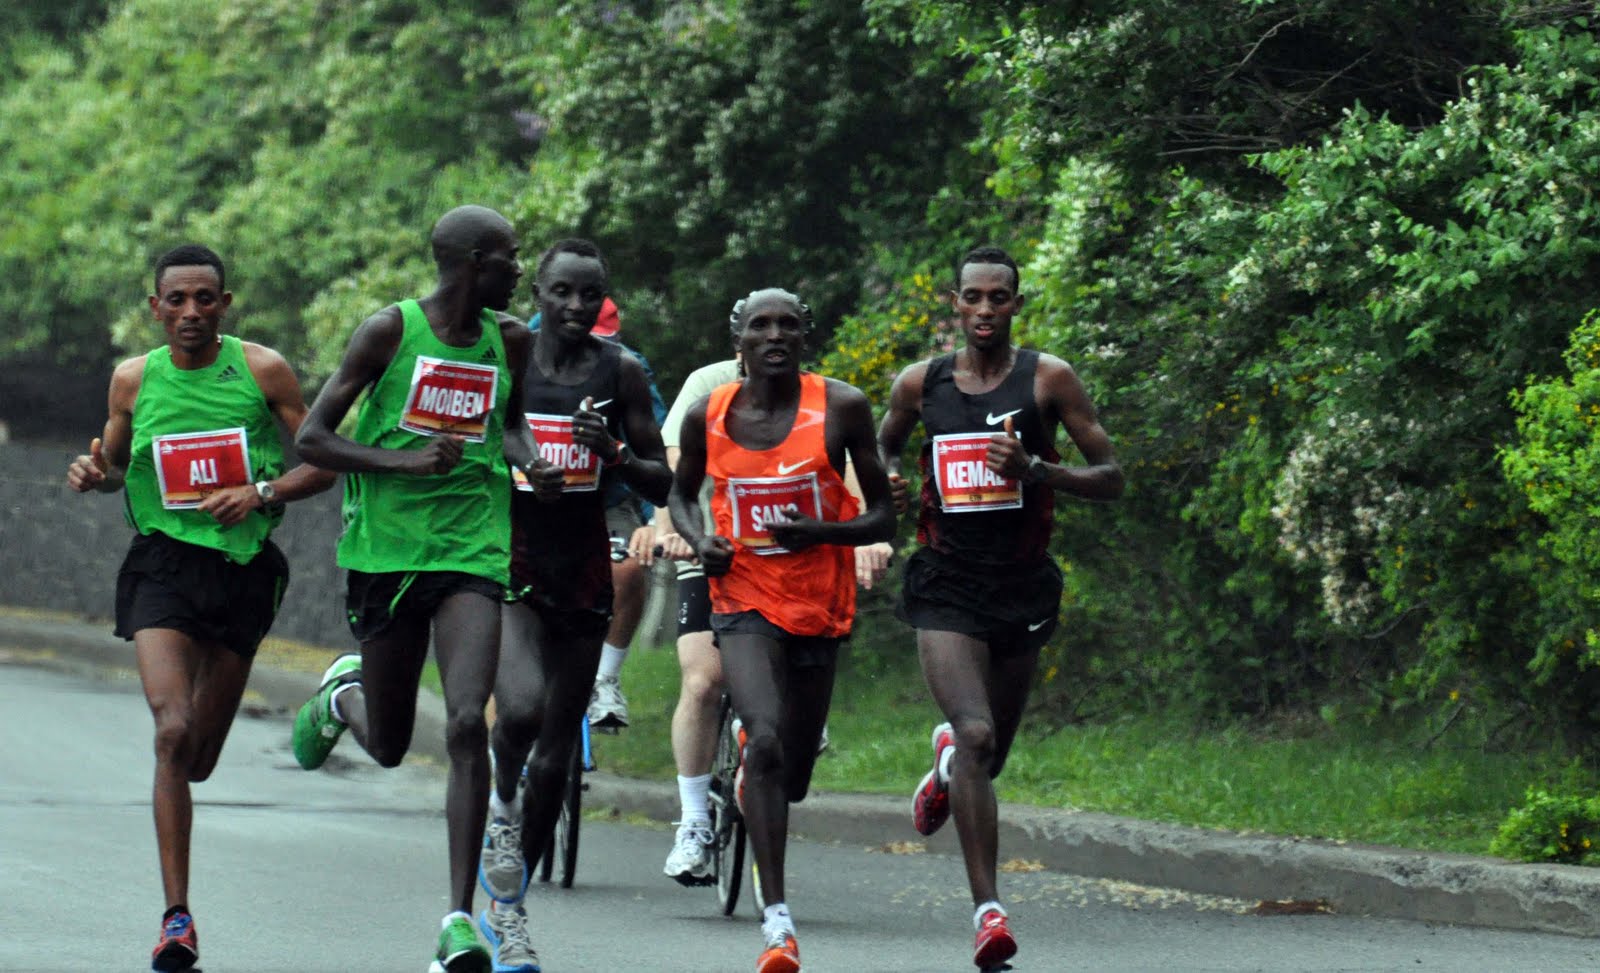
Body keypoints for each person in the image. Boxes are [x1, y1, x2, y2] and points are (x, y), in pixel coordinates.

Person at [287, 205, 557, 973]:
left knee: (469, 720)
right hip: (387, 553)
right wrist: (405, 462)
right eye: (509, 257)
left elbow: (509, 424)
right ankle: (344, 697)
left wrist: (528, 457)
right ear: (473, 260)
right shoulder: (388, 332)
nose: (518, 268)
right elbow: (313, 438)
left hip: (473, 546)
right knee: (393, 742)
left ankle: (456, 922)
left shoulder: (511, 338)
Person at [66, 244, 336, 973]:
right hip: (162, 564)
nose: (190, 312)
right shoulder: (133, 379)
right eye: (175, 300)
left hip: (244, 568)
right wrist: (94, 473)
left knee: (201, 761)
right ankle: (176, 919)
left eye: (204, 299)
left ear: (225, 304)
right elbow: (115, 461)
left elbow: (324, 455)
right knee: (171, 730)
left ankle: (332, 699)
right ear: (154, 308)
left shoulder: (262, 371)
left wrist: (262, 492)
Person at [876, 246, 1123, 971]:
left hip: (1020, 583)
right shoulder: (919, 384)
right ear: (954, 303)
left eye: (998, 298)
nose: (985, 310)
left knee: (992, 753)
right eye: (972, 298)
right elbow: (881, 451)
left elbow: (1112, 476)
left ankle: (948, 761)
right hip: (946, 582)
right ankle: (989, 910)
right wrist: (888, 485)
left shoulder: (1048, 379)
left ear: (1017, 304)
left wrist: (1037, 469)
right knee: (979, 731)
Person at [669, 288, 895, 973]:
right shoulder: (709, 413)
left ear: (805, 337)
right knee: (764, 738)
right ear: (737, 338)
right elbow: (683, 493)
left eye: (788, 325)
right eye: (760, 325)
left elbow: (882, 517)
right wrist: (698, 537)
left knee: (791, 772)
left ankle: (758, 780)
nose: (775, 335)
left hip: (817, 601)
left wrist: (821, 532)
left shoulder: (843, 407)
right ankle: (778, 922)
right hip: (740, 595)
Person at [475, 240, 669, 967]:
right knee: (519, 708)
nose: (577, 308)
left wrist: (612, 451)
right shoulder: (511, 352)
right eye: (563, 292)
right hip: (513, 550)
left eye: (590, 295)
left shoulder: (619, 369)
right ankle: (500, 810)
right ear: (539, 289)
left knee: (558, 750)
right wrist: (527, 461)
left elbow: (661, 483)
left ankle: (510, 904)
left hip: (583, 560)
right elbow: (488, 432)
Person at [526, 298, 668, 732]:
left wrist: (653, 521)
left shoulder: (628, 369)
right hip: (528, 503)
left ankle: (605, 678)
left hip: (605, 502)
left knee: (626, 569)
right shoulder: (518, 357)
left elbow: (654, 456)